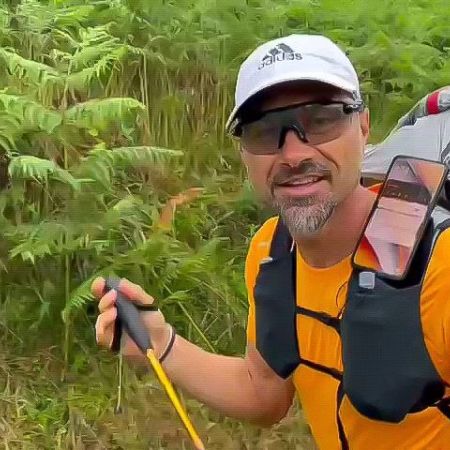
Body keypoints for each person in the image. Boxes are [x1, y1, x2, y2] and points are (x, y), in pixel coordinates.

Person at [93, 34, 450, 449]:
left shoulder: (436, 265)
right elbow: (264, 392)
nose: (294, 155)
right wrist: (160, 342)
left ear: (364, 127)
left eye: (320, 120)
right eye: (265, 131)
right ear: (244, 152)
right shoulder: (272, 250)